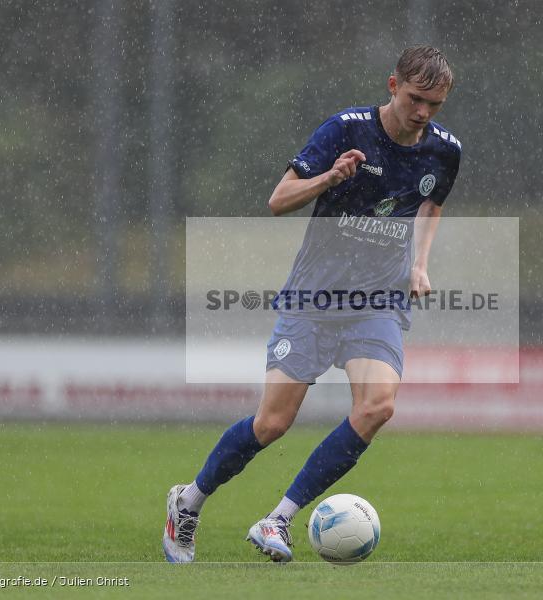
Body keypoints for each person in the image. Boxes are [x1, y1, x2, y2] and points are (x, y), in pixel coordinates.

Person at [163, 45, 461, 563]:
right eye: (415, 99)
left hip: (378, 302)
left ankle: (277, 519)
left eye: (434, 104)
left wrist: (419, 263)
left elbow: (432, 204)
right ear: (393, 86)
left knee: (377, 407)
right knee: (271, 424)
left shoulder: (444, 150)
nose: (423, 114)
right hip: (314, 298)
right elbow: (278, 200)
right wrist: (330, 178)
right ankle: (188, 501)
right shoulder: (345, 131)